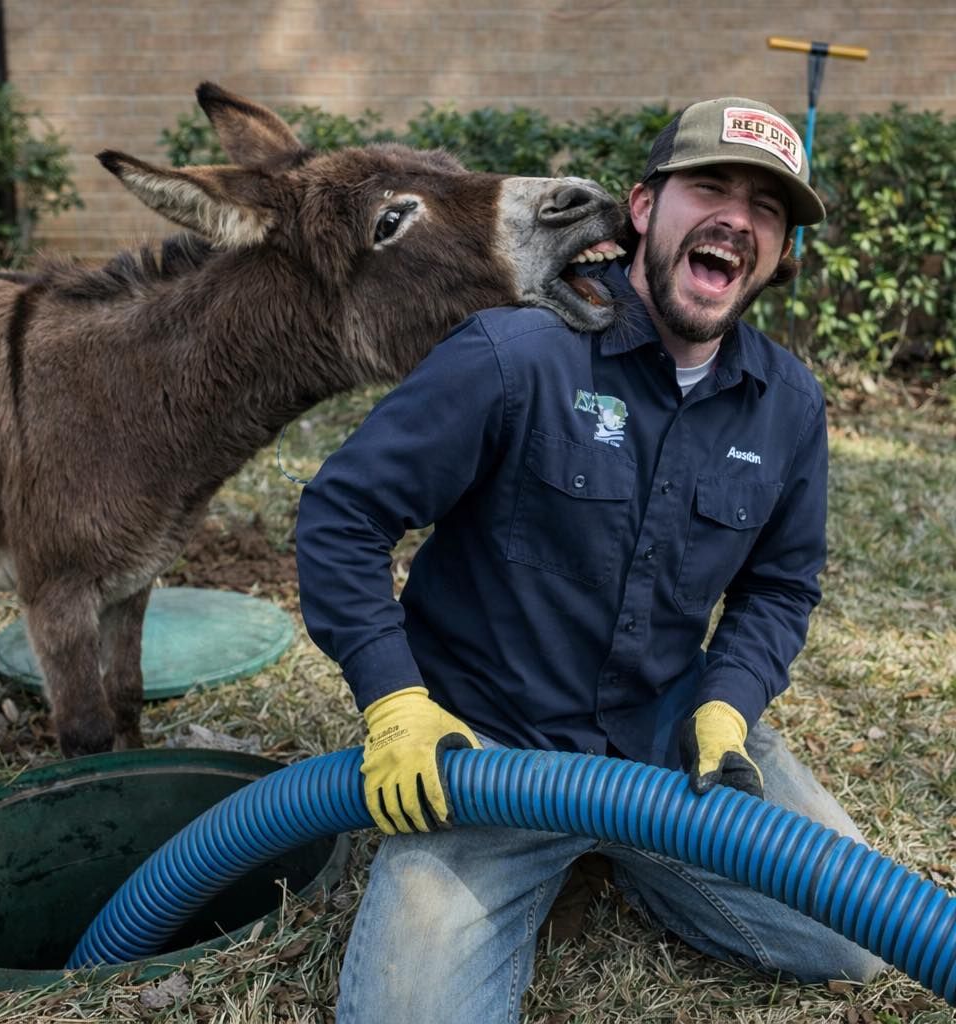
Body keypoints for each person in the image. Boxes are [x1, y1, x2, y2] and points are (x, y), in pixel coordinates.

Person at [295, 97, 884, 1022]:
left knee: (852, 940)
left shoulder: (788, 406)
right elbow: (342, 516)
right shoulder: (516, 353)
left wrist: (728, 706)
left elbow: (780, 585)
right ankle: (556, 852)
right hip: (487, 760)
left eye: (766, 208)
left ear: (778, 252)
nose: (737, 217)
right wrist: (394, 701)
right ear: (646, 207)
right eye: (710, 188)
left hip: (672, 750)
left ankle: (624, 851)